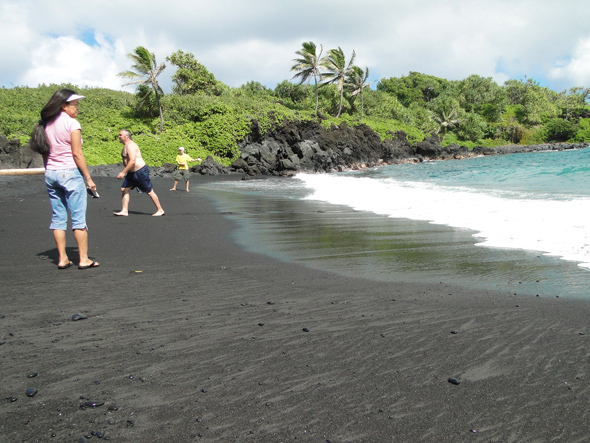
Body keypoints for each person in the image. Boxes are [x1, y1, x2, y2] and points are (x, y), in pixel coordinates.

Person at [29, 88, 100, 270]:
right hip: (70, 173)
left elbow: (45, 153)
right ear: (64, 106)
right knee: (78, 218)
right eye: (75, 105)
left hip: (51, 173)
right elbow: (77, 153)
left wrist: (49, 171)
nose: (77, 109)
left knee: (58, 217)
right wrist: (88, 178)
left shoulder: (45, 125)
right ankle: (83, 259)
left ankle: (62, 258)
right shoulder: (72, 124)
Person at [114, 130, 165, 217]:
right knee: (124, 189)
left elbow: (132, 161)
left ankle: (160, 210)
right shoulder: (126, 145)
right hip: (132, 173)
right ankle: (124, 210)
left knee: (149, 191)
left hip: (140, 171)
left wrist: (123, 172)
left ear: (126, 136)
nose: (119, 136)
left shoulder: (131, 145)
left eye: (120, 135)